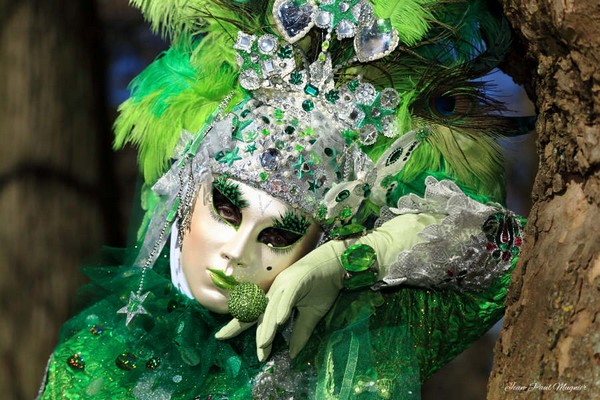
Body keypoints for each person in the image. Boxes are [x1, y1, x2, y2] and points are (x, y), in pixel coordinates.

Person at [39, 0, 527, 398]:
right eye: (227, 209)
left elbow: (512, 249)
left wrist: (354, 260)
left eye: (279, 235)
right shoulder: (99, 363)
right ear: (186, 190)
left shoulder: (351, 348)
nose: (238, 252)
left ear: (313, 243)